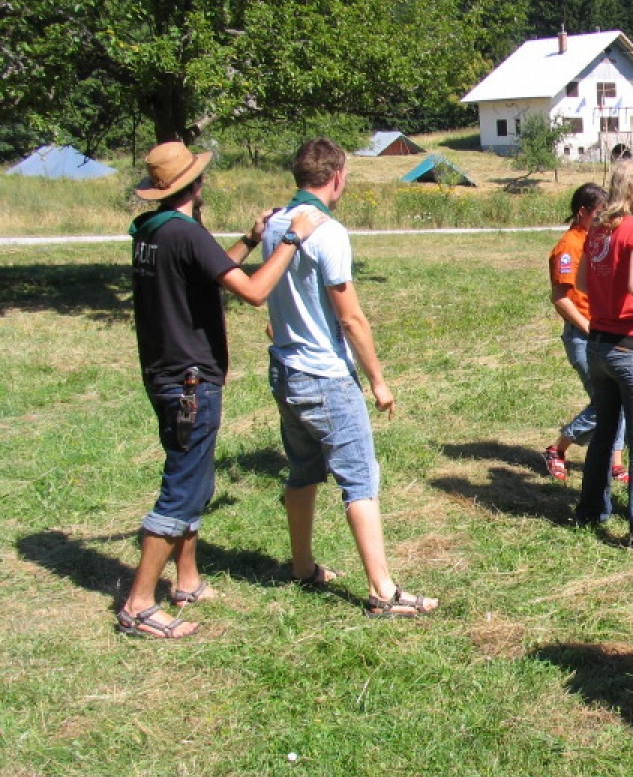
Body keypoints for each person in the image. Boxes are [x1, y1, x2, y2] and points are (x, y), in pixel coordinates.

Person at [118, 141, 325, 639]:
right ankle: (138, 604)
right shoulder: (186, 233)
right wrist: (290, 241)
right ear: (195, 184)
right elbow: (253, 293)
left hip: (163, 371)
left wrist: (250, 241)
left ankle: (186, 580)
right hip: (189, 379)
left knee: (194, 476)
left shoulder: (151, 231)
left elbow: (210, 277)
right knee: (184, 486)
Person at [263, 138, 437, 617]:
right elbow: (352, 318)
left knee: (301, 472)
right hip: (325, 377)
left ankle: (302, 566)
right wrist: (378, 381)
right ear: (337, 177)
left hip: (286, 368)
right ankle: (383, 591)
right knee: (360, 480)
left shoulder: (276, 223)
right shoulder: (329, 232)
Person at [575, 159, 633, 549]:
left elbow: (581, 281)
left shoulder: (598, 229)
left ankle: (591, 509)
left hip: (597, 343)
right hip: (631, 346)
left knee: (604, 433)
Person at [543, 183, 627, 485]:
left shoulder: (598, 239)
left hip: (605, 332)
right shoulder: (569, 246)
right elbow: (561, 298)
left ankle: (615, 464)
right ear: (582, 212)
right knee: (606, 402)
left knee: (616, 397)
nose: (604, 219)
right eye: (598, 213)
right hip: (584, 335)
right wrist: (588, 327)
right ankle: (558, 448)